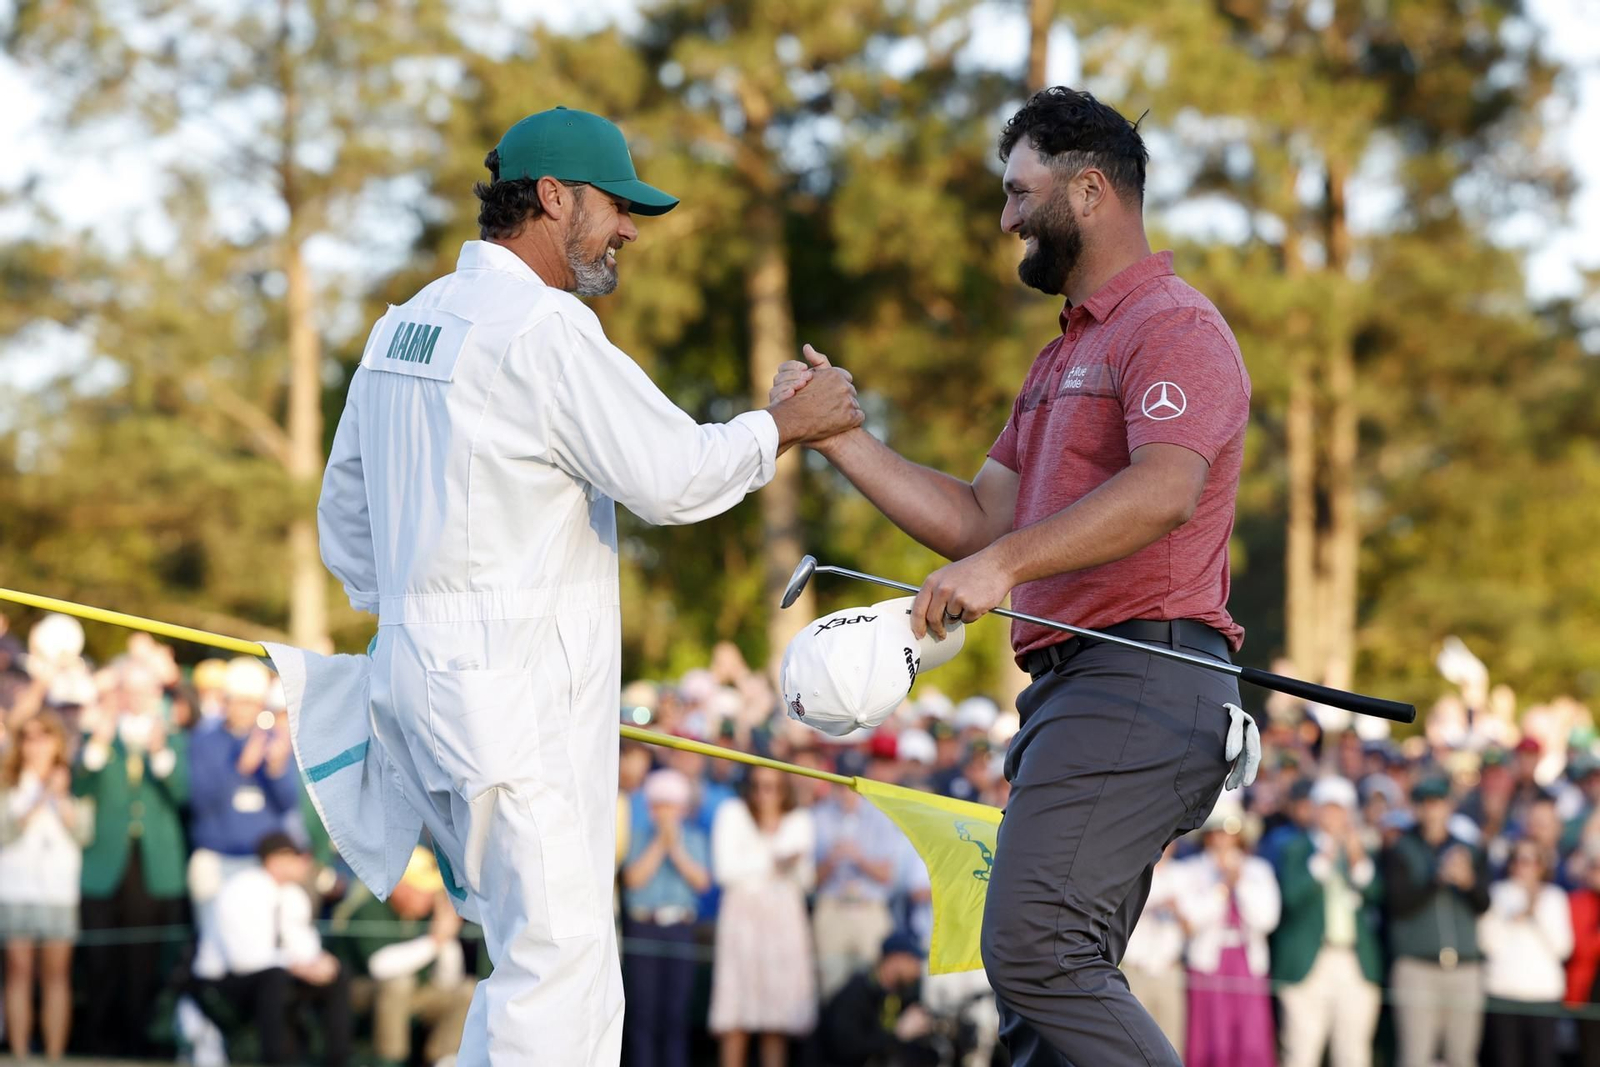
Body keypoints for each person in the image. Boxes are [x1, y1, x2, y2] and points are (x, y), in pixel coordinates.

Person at [276, 106, 862, 1067]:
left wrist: (428, 616)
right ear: (553, 198)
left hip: (422, 684)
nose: (628, 228)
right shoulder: (545, 327)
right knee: (559, 970)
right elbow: (673, 476)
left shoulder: (402, 327)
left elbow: (346, 529)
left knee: (537, 963)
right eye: (617, 205)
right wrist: (786, 426)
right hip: (511, 698)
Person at [772, 85, 1253, 1066]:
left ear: (1087, 191)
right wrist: (839, 438)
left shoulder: (1171, 325)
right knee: (1043, 1011)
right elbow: (981, 518)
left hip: (1143, 675)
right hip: (1080, 689)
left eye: (1016, 192)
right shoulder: (1058, 357)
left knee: (1034, 952)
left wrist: (1002, 563)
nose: (1004, 219)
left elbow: (1166, 488)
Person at [72, 659, 190, 1059]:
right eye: (128, 691)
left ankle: (139, 1038)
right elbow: (77, 785)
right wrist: (98, 744)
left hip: (152, 865)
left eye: (143, 692)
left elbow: (182, 796)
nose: (135, 699)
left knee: (144, 957)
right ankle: (97, 1039)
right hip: (106, 864)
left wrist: (159, 753)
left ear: (155, 696)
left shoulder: (172, 739)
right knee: (102, 957)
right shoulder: (100, 736)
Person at [191, 832, 352, 1066]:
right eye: (297, 856)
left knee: (337, 973)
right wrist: (297, 966)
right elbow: (244, 960)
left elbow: (301, 943)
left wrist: (319, 962)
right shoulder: (241, 889)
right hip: (220, 983)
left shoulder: (292, 894)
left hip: (271, 974)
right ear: (275, 860)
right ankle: (275, 1060)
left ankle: (338, 1059)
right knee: (274, 978)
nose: (305, 862)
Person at [1270, 776, 1384, 1067]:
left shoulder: (1362, 849)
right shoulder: (1294, 848)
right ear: (1316, 811)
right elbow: (1291, 898)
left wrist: (1357, 859)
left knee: (1353, 1054)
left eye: (1340, 810)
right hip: (1309, 962)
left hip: (1354, 962)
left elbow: (1378, 896)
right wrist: (1324, 859)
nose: (1334, 817)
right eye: (1328, 809)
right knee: (1301, 1051)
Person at [709, 765, 817, 1067]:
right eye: (757, 785)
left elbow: (806, 879)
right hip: (741, 919)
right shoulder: (732, 812)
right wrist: (775, 860)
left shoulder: (800, 818)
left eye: (772, 786)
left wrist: (765, 862)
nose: (763, 794)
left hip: (783, 922)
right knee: (735, 1017)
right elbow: (726, 871)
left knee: (776, 1020)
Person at [0, 711, 93, 1061]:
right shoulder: (8, 783)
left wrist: (62, 797)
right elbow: (6, 833)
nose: (36, 745)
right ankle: (20, 1055)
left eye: (44, 736)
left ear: (57, 742)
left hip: (58, 891)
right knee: (18, 973)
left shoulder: (76, 781)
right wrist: (41, 797)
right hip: (15, 888)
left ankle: (54, 1056)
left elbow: (84, 833)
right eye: (29, 737)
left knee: (57, 976)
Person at [186, 656, 300, 940]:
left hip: (260, 860)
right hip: (216, 856)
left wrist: (276, 771)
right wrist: (239, 770)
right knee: (216, 938)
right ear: (227, 701)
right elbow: (200, 801)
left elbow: (288, 804)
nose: (246, 710)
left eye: (253, 702)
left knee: (258, 941)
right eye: (240, 701)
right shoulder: (205, 740)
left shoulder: (275, 738)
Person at [329, 847, 475, 1067]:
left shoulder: (425, 915)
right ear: (401, 887)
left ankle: (445, 1060)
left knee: (467, 990)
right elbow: (380, 966)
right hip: (359, 991)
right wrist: (435, 941)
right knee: (398, 985)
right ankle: (389, 1061)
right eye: (423, 889)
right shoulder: (371, 908)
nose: (431, 896)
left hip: (413, 992)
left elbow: (447, 981)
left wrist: (445, 940)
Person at [1383, 775, 1491, 1067]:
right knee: (1415, 1055)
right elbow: (1398, 905)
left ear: (1449, 806)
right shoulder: (1400, 849)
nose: (1431, 810)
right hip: (1417, 966)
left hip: (1464, 967)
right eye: (1425, 804)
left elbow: (1484, 903)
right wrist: (1437, 879)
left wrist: (1468, 883)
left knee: (1462, 1055)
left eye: (1437, 803)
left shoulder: (1469, 848)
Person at [620, 768, 710, 1067]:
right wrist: (660, 844)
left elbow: (701, 881)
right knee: (643, 1013)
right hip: (644, 927)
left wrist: (676, 848)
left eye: (672, 805)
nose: (666, 813)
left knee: (676, 1013)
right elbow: (632, 879)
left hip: (679, 928)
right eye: (660, 805)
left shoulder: (694, 838)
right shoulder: (639, 836)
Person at [1176, 809, 1280, 1067]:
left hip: (1247, 962)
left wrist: (1241, 884)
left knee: (1250, 1037)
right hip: (1209, 963)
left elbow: (1267, 919)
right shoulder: (1193, 869)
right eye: (1218, 833)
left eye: (1231, 834)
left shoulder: (1258, 869)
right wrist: (1222, 888)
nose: (1224, 840)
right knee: (1212, 1035)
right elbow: (1192, 918)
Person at [1478, 838, 1573, 1067]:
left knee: (1542, 1059)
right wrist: (1512, 919)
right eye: (1518, 860)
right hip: (1503, 995)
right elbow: (1487, 944)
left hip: (1542, 998)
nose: (1524, 866)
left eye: (1531, 861)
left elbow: (1563, 948)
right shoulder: (1497, 893)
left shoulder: (1554, 897)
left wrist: (1536, 913)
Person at [811, 781, 908, 999]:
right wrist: (832, 859)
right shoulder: (819, 815)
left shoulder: (879, 816)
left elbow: (888, 875)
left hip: (869, 909)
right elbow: (810, 879)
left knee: (874, 982)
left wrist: (859, 858)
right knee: (830, 985)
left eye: (851, 787)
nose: (847, 793)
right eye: (841, 786)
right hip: (832, 907)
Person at [803, 931, 939, 1067]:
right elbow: (848, 1049)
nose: (917, 970)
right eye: (913, 961)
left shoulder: (901, 994)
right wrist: (898, 1034)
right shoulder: (856, 993)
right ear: (895, 960)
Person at [1118, 842, 1187, 1059]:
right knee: (1133, 1043)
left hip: (1169, 969)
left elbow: (1193, 925)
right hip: (1135, 969)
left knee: (1171, 1042)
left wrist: (1177, 910)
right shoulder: (1129, 873)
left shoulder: (1183, 874)